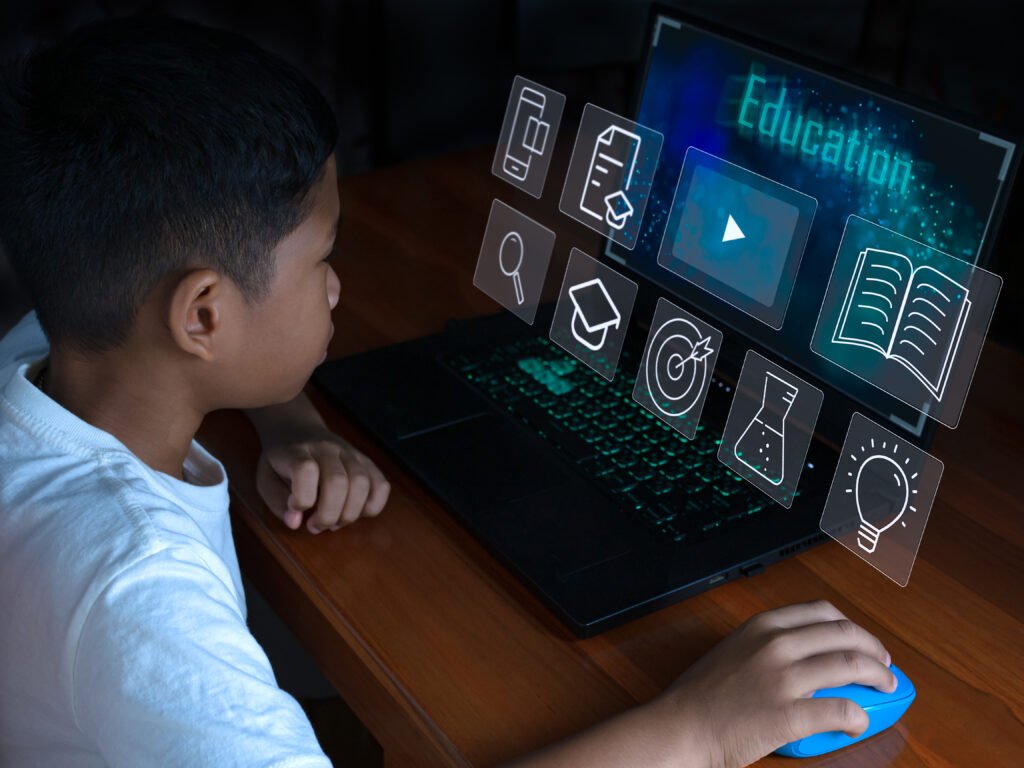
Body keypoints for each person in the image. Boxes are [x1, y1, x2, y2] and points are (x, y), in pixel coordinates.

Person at [0, 15, 898, 768]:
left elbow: (161, 343)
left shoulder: (54, 350)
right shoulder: (139, 596)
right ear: (203, 316)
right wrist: (699, 728)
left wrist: (290, 419)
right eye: (323, 257)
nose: (337, 286)